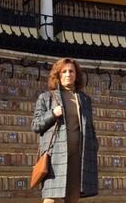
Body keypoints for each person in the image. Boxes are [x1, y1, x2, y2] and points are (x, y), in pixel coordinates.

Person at [32, 58, 99, 203]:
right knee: (50, 199)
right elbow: (36, 125)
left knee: (73, 198)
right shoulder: (46, 98)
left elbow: (90, 127)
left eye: (71, 71)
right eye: (64, 71)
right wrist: (53, 113)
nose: (68, 74)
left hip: (78, 157)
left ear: (76, 75)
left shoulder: (85, 100)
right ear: (58, 75)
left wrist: (94, 146)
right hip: (55, 156)